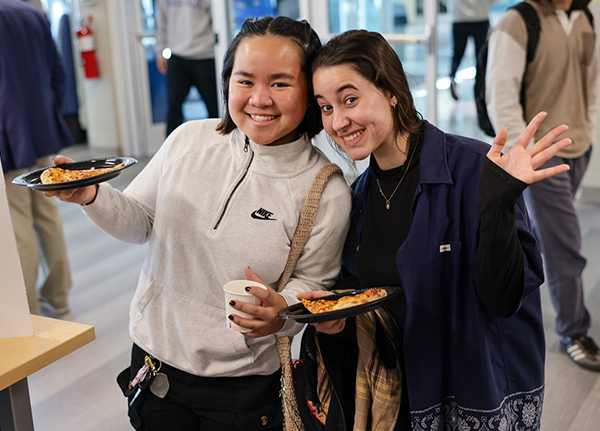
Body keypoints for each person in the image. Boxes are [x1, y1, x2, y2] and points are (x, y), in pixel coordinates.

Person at [45, 16, 352, 431]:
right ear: (227, 82)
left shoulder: (325, 187)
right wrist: (92, 195)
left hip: (242, 390)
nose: (259, 99)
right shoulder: (189, 139)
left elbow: (311, 283)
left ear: (309, 91)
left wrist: (281, 312)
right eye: (245, 81)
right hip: (155, 369)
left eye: (280, 83)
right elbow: (139, 222)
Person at [296, 29, 573, 430]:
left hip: (477, 395)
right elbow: (369, 294)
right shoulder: (356, 196)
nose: (337, 121)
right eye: (325, 107)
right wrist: (335, 316)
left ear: (392, 90)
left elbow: (503, 299)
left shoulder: (474, 168)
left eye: (350, 99)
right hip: (398, 396)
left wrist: (498, 204)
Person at [486, 0, 600, 371]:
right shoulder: (519, 21)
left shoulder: (584, 16)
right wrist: (527, 153)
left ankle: (515, 295)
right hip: (542, 152)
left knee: (546, 231)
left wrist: (590, 125)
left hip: (580, 144)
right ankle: (573, 329)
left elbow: (592, 79)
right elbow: (500, 93)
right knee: (566, 242)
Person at [0, 0, 74, 316]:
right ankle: (58, 296)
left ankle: (26, 308)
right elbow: (59, 73)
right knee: (46, 211)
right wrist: (46, 113)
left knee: (17, 220)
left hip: (7, 133)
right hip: (40, 127)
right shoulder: (32, 13)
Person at [156, 0, 220, 137]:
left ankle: (219, 149)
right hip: (177, 57)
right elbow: (162, 22)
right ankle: (170, 154)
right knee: (174, 110)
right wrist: (160, 51)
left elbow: (218, 20)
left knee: (215, 109)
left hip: (205, 56)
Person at [447, 0, 496, 100]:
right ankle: (480, 87)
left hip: (459, 18)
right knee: (480, 55)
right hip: (480, 18)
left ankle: (452, 77)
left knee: (457, 53)